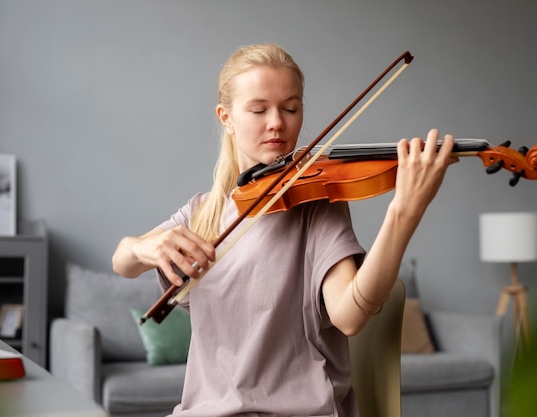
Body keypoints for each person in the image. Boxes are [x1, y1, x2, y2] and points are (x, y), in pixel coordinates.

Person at [112, 43, 457, 417]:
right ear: (225, 117)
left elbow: (350, 316)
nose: (277, 122)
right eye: (259, 109)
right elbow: (122, 262)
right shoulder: (202, 214)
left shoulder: (317, 207)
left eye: (290, 108)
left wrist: (404, 212)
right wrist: (141, 247)